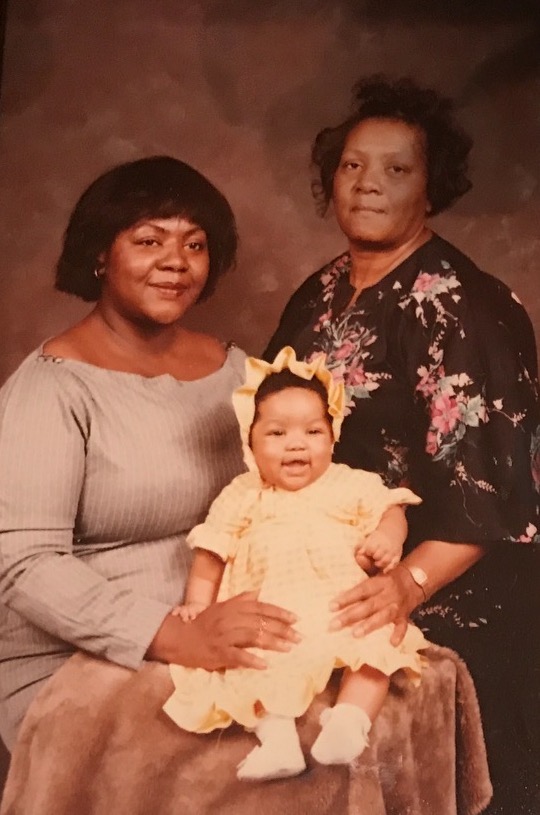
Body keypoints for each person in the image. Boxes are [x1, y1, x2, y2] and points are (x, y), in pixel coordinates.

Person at [264, 76, 540, 814]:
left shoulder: (465, 306)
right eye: (353, 166)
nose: (369, 186)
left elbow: (494, 500)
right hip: (328, 572)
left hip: (445, 594)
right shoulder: (315, 296)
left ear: (431, 187)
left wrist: (401, 590)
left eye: (396, 168)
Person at [0, 155, 298, 753]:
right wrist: (173, 636)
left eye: (195, 244)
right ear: (100, 254)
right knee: (229, 759)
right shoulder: (52, 387)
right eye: (149, 240)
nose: (175, 261)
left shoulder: (238, 369)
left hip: (224, 625)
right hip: (76, 654)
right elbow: (23, 564)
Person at [163, 346, 427, 781]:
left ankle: (349, 722)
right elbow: (213, 550)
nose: (297, 444)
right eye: (277, 433)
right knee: (253, 666)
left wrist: (387, 538)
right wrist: (198, 605)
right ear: (250, 440)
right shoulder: (243, 493)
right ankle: (278, 740)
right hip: (271, 615)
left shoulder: (348, 483)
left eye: (313, 431)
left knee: (377, 645)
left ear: (332, 434)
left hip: (340, 607)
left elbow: (390, 509)